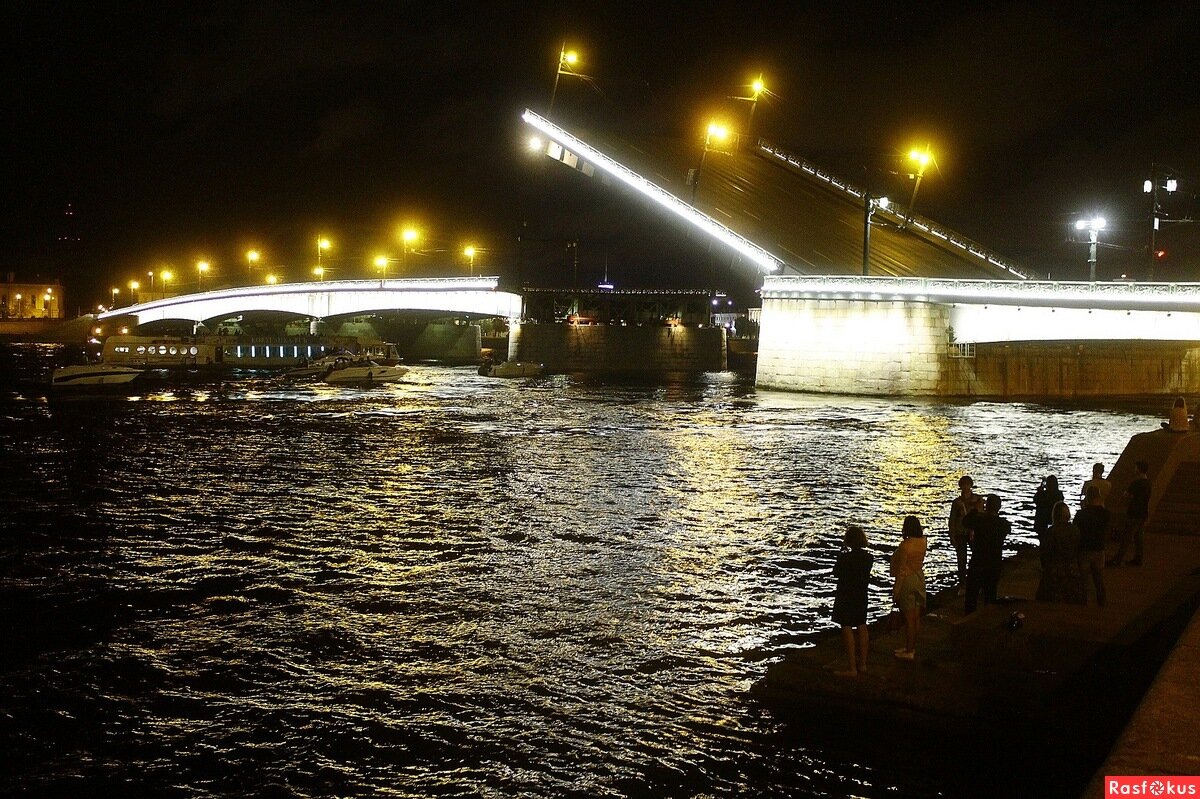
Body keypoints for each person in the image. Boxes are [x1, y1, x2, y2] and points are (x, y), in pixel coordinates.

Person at [831, 525, 873, 677]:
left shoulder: (846, 557)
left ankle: (852, 667)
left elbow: (836, 572)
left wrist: (840, 556)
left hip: (846, 594)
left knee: (847, 627)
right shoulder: (869, 558)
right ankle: (862, 664)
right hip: (861, 594)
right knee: (862, 625)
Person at [962, 494, 1011, 613]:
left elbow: (965, 521)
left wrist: (976, 510)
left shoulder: (979, 521)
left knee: (972, 594)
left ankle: (969, 619)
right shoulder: (1003, 524)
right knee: (990, 593)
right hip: (994, 562)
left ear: (986, 506)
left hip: (978, 561)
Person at [890, 516, 927, 660]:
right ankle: (911, 646)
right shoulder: (923, 541)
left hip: (907, 580)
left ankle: (909, 650)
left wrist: (896, 590)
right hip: (919, 577)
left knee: (909, 618)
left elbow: (901, 570)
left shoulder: (905, 546)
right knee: (916, 616)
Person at [1035, 502, 1087, 604]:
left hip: (1055, 570)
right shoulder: (1075, 530)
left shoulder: (1051, 532)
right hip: (1072, 569)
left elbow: (1045, 552)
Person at [1074, 486, 1110, 606]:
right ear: (1098, 497)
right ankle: (1102, 603)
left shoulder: (1080, 515)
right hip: (1099, 549)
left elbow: (1076, 531)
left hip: (1084, 549)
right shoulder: (1105, 514)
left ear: (1087, 498)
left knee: (1083, 581)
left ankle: (1082, 603)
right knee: (1099, 579)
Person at [1112, 460, 1152, 566]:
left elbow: (1126, 496)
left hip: (1133, 513)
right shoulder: (1148, 483)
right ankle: (1138, 559)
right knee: (1138, 537)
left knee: (1127, 537)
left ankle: (1118, 559)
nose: (1134, 469)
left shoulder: (1136, 483)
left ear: (1138, 469)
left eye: (1135, 467)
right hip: (1143, 513)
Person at [948, 476, 983, 591]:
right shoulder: (957, 503)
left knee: (977, 558)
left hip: (973, 532)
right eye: (964, 485)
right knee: (961, 560)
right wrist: (952, 535)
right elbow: (952, 519)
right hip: (960, 532)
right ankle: (962, 584)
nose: (965, 487)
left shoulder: (978, 500)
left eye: (967, 485)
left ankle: (977, 581)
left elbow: (981, 515)